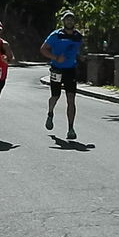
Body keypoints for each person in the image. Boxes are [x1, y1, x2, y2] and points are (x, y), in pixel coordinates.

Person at [40, 10, 83, 140]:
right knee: (55, 96)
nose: (69, 21)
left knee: (71, 99)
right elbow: (43, 49)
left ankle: (71, 128)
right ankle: (50, 113)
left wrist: (81, 58)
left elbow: (79, 50)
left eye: (71, 19)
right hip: (57, 69)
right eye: (67, 19)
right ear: (63, 21)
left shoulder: (78, 36)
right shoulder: (55, 35)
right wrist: (55, 57)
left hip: (71, 70)